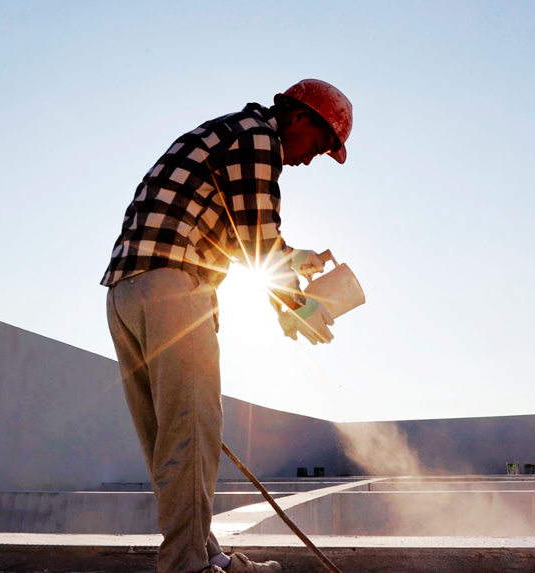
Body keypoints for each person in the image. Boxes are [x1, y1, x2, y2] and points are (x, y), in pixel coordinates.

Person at [101, 79, 353, 573]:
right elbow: (259, 240)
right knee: (192, 434)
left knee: (170, 443)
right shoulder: (261, 139)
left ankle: (202, 554)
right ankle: (186, 567)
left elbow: (232, 233)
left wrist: (295, 262)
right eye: (319, 145)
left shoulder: (227, 133)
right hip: (173, 288)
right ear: (299, 118)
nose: (310, 159)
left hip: (127, 292)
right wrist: (300, 308)